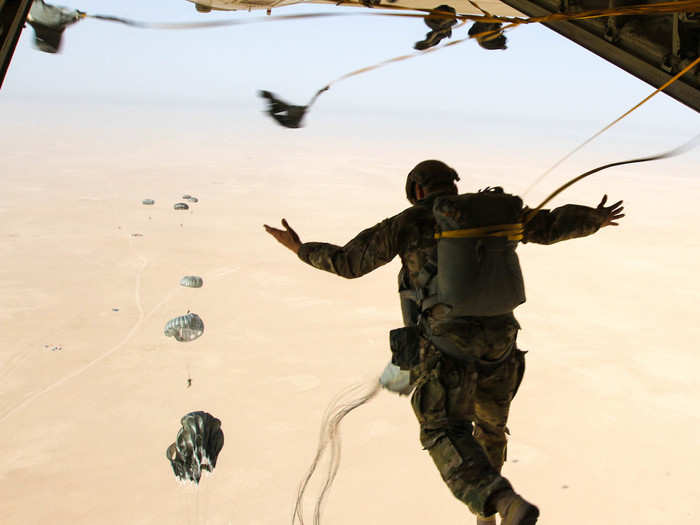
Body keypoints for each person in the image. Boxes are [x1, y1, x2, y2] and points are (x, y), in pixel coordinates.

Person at [264, 160, 624, 525]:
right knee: (491, 428)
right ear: (452, 185)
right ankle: (489, 515)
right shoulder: (488, 213)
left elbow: (347, 263)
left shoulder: (406, 223)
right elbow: (549, 226)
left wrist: (299, 248)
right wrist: (594, 218)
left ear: (417, 190)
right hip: (501, 344)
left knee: (444, 429)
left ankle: (497, 499)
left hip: (446, 345)